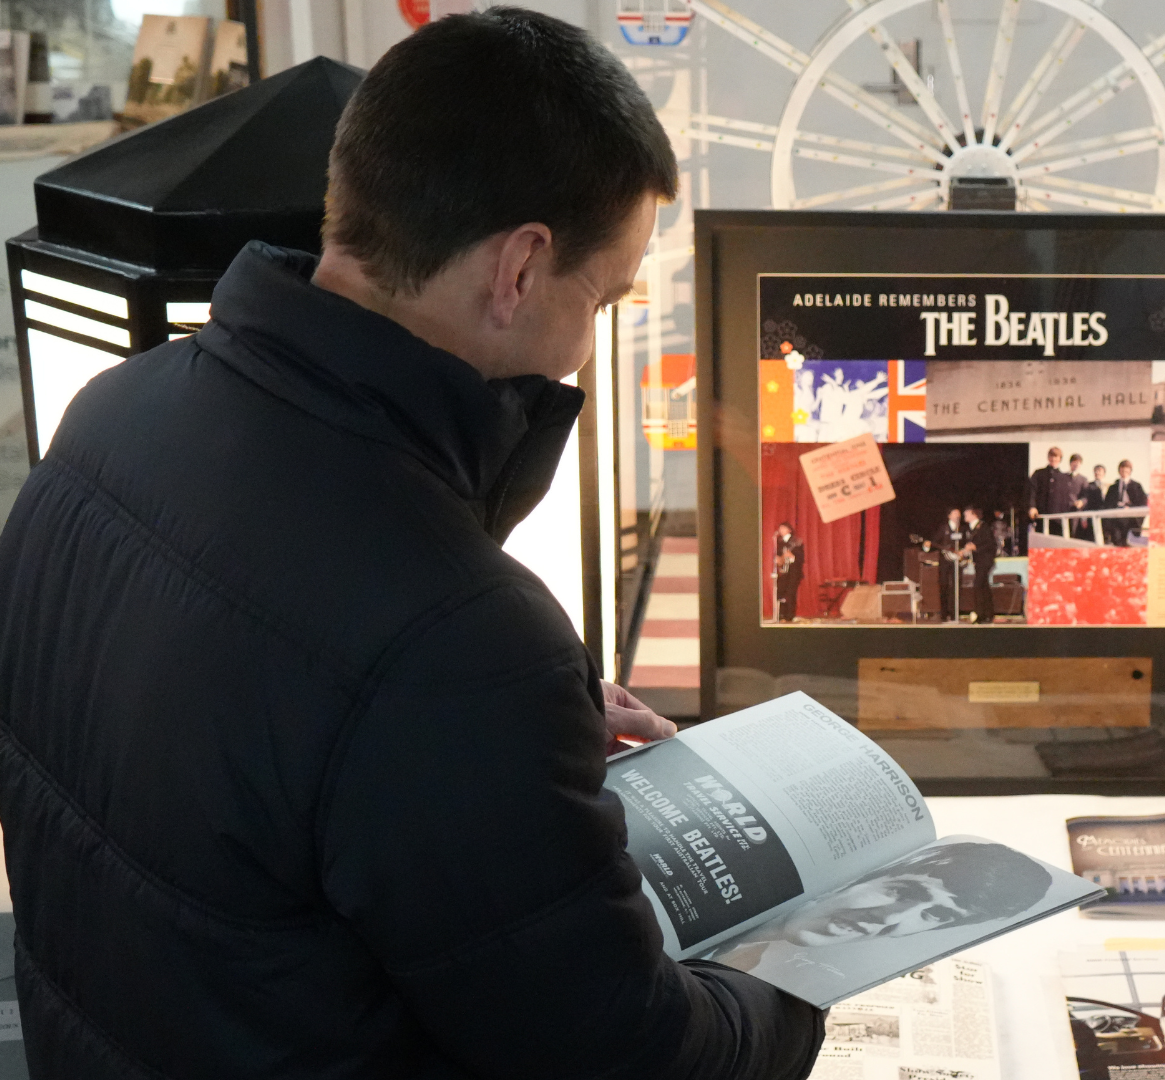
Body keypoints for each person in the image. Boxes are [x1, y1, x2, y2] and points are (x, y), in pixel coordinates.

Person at [0, 10, 825, 1079]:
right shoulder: (456, 640)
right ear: (520, 268)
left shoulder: (113, 412)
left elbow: (245, 732)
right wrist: (810, 968)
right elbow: (632, 1056)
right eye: (602, 298)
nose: (585, 348)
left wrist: (511, 736)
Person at [711, 841, 1052, 975]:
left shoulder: (748, 967)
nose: (889, 918)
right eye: (903, 891)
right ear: (869, 874)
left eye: (937, 914)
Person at [961, 505, 997, 624]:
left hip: (985, 560)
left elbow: (990, 544)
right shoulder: (969, 529)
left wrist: (976, 547)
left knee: (978, 584)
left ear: (973, 514)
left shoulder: (983, 527)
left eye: (967, 513)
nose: (964, 515)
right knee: (984, 586)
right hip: (978, 561)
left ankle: (980, 614)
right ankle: (988, 614)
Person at [1027, 445, 1073, 537]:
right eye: (1051, 456)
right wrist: (1032, 507)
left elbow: (1067, 499)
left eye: (1056, 456)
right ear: (1048, 457)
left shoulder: (1065, 477)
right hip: (1041, 516)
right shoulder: (1038, 474)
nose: (1053, 459)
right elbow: (1032, 491)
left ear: (1060, 459)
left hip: (1059, 519)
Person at [1102, 460, 1147, 545]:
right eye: (1122, 470)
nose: (1124, 473)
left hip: (1130, 518)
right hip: (1116, 517)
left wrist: (1130, 508)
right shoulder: (1113, 487)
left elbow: (1142, 502)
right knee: (1116, 540)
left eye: (1126, 471)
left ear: (1130, 471)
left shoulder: (1137, 486)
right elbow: (1107, 503)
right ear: (1119, 471)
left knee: (1127, 542)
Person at [773, 521, 805, 622]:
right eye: (780, 528)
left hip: (794, 571)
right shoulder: (779, 541)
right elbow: (778, 556)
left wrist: (792, 556)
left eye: (783, 528)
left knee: (791, 593)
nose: (780, 530)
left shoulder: (797, 541)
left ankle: (790, 616)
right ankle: (781, 615)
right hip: (783, 571)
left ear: (789, 530)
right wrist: (778, 559)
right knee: (780, 592)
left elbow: (801, 558)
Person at [1065, 452, 1095, 541]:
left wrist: (1081, 501)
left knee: (1073, 535)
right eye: (1074, 462)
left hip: (1075, 512)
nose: (1076, 465)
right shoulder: (1063, 477)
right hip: (1063, 510)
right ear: (1070, 463)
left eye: (1078, 463)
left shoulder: (1083, 479)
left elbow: (1086, 496)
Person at [1087, 463, 1111, 543]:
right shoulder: (1088, 486)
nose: (1097, 473)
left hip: (1106, 516)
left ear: (1104, 473)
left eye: (1100, 471)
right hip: (1093, 515)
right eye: (1096, 471)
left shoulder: (1109, 486)